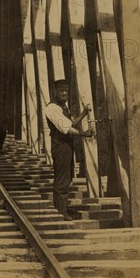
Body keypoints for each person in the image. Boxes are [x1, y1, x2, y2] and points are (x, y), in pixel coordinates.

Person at [45, 79, 93, 221]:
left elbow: (70, 122)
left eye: (66, 90)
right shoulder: (52, 108)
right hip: (60, 146)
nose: (64, 93)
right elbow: (66, 128)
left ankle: (62, 208)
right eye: (61, 91)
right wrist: (84, 133)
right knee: (62, 179)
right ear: (54, 92)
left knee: (68, 177)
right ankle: (60, 212)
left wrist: (84, 113)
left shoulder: (63, 107)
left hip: (66, 146)